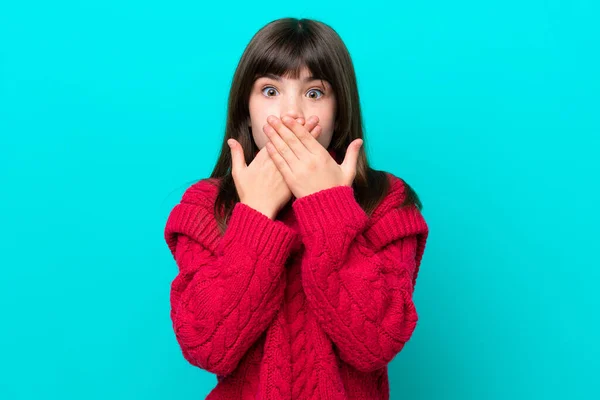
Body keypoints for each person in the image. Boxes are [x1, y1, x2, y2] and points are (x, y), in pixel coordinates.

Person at [164, 17, 429, 400]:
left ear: (340, 109)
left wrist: (328, 207)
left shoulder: (386, 201)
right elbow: (207, 347)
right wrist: (254, 216)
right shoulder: (207, 207)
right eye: (270, 90)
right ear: (246, 109)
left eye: (315, 93)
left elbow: (375, 344)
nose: (292, 115)